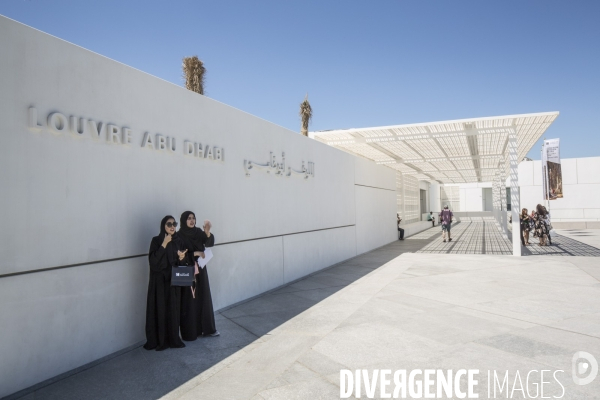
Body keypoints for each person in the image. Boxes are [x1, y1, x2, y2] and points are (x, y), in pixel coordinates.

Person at [143, 216, 188, 351]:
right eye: (169, 224)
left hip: (173, 282)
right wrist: (164, 244)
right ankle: (160, 340)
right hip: (160, 283)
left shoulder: (178, 241)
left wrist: (181, 258)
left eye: (174, 224)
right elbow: (153, 262)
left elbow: (181, 263)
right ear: (164, 226)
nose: (172, 226)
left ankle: (173, 339)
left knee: (173, 310)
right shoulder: (156, 241)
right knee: (160, 309)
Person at [177, 211, 218, 339]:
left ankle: (207, 329)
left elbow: (209, 243)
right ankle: (190, 332)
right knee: (188, 300)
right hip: (186, 269)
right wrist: (196, 253)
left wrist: (207, 231)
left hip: (200, 269)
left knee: (203, 296)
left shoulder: (198, 232)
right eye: (189, 218)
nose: (192, 220)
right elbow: (178, 254)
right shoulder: (179, 236)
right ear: (184, 220)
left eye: (193, 218)